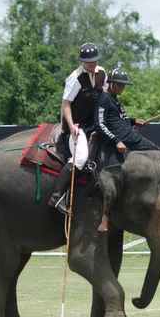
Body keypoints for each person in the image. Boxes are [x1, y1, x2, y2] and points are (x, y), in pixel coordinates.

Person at [94, 67, 160, 232]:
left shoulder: (115, 99)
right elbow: (100, 125)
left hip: (132, 138)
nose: (121, 88)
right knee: (112, 181)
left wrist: (133, 121)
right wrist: (117, 141)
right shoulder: (104, 98)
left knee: (159, 156)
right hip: (120, 143)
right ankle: (105, 217)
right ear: (110, 83)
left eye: (123, 85)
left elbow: (118, 120)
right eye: (119, 84)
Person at [48, 42, 107, 215]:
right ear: (82, 61)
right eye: (89, 62)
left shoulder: (101, 73)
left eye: (95, 61)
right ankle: (56, 196)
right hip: (78, 125)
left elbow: (105, 96)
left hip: (95, 123)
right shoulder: (75, 78)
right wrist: (72, 125)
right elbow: (66, 104)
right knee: (80, 157)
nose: (93, 64)